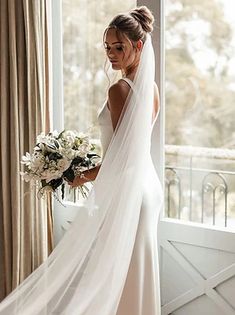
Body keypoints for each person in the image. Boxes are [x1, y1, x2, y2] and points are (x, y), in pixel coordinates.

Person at [0, 5, 163, 315]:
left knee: (120, 272)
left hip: (128, 188)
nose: (111, 54)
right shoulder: (150, 88)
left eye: (119, 47)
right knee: (136, 269)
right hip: (148, 189)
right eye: (107, 47)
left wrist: (80, 175)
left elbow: (122, 158)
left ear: (138, 46)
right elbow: (131, 152)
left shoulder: (119, 89)